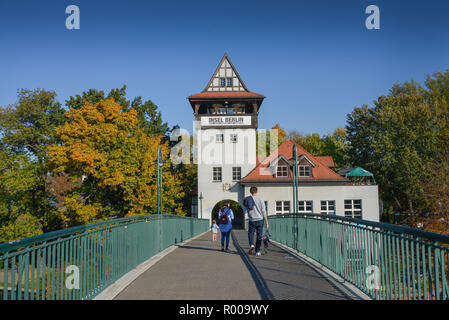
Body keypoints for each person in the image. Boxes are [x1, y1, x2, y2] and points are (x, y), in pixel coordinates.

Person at [245, 186, 269, 256]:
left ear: (250, 192)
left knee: (250, 234)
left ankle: (252, 245)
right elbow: (264, 211)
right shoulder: (260, 199)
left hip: (252, 219)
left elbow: (246, 209)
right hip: (260, 220)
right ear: (256, 191)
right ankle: (257, 251)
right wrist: (266, 222)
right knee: (259, 235)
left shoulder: (248, 199)